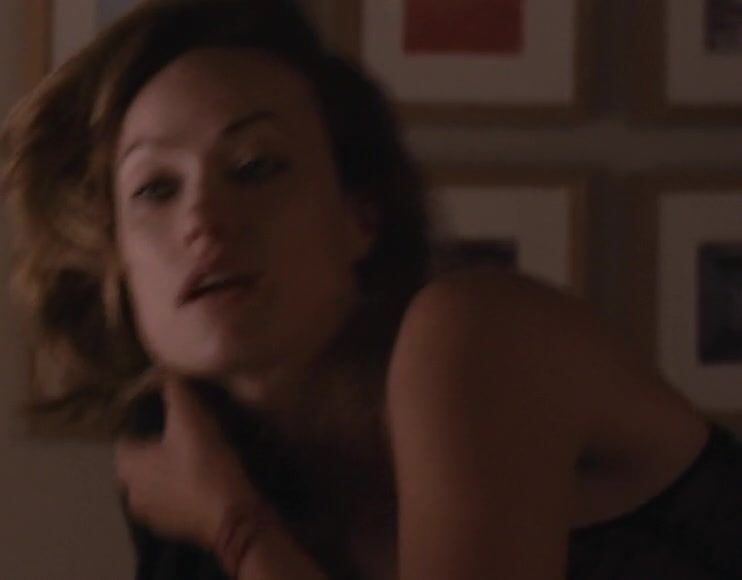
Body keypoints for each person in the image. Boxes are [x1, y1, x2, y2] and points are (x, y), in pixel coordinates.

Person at [2, 1, 741, 578]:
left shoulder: (473, 334)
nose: (202, 220)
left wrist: (236, 527)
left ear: (361, 216)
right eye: (155, 189)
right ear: (118, 262)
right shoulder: (185, 452)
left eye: (257, 166)